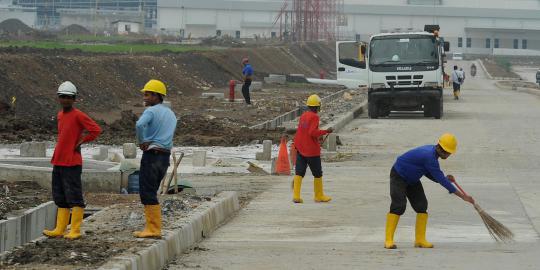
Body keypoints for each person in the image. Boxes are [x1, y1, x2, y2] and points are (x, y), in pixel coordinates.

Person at [384, 133, 475, 249]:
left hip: (412, 179)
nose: (448, 155)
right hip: (399, 175)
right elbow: (441, 180)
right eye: (448, 153)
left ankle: (420, 240)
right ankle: (388, 240)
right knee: (399, 205)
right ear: (441, 149)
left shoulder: (432, 154)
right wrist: (463, 196)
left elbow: (431, 173)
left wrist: (445, 178)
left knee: (421, 206)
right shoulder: (429, 157)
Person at [43, 81, 101, 240]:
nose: (65, 100)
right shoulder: (60, 115)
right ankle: (60, 229)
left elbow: (95, 129)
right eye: (62, 97)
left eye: (68, 97)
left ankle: (75, 229)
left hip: (72, 163)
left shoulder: (78, 115)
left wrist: (81, 141)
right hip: (59, 161)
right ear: (58, 98)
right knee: (60, 196)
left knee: (74, 196)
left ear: (74, 99)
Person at [133, 79, 177, 238]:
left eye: (148, 94)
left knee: (147, 192)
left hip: (152, 156)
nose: (145, 97)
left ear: (157, 96)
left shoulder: (151, 111)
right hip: (164, 157)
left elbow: (139, 125)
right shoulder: (171, 114)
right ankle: (153, 228)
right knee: (152, 191)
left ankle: (153, 229)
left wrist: (142, 141)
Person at [291, 94, 333, 203]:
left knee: (299, 172)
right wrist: (326, 131)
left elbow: (302, 131)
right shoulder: (315, 117)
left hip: (300, 148)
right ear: (317, 106)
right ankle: (319, 196)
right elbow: (312, 132)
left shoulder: (303, 115)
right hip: (311, 151)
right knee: (317, 173)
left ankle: (296, 196)